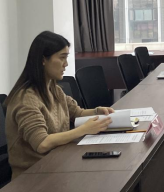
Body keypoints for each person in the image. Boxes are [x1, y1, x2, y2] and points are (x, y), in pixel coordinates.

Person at [5, 31, 114, 179]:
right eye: (62, 58)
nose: (66, 64)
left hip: (58, 165)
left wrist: (96, 111)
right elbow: (42, 143)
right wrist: (83, 129)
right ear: (43, 60)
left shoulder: (53, 89)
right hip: (33, 177)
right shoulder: (25, 99)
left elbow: (77, 112)